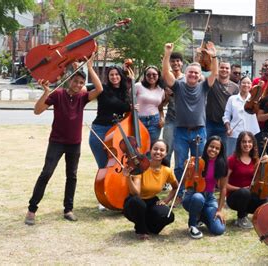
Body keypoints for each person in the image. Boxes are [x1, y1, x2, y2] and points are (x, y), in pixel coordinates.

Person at [25, 59, 103, 225]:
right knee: (46, 173)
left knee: (72, 176)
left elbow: (99, 88)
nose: (78, 84)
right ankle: (32, 209)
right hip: (57, 142)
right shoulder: (58, 94)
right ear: (70, 80)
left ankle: (68, 209)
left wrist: (89, 67)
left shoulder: (83, 97)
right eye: (76, 81)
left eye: (81, 82)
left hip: (74, 143)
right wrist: (46, 92)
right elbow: (37, 111)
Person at [162, 42, 218, 200]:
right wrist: (167, 53)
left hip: (199, 131)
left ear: (200, 75)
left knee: (199, 164)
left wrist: (213, 56)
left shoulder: (204, 87)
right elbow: (166, 73)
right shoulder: (179, 86)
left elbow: (214, 73)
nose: (193, 75)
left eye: (196, 73)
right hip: (180, 131)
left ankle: (195, 190)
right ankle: (179, 192)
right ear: (186, 74)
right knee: (180, 164)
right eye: (190, 72)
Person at [122, 140, 178, 240]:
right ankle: (141, 230)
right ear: (150, 151)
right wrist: (128, 177)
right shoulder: (141, 167)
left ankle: (146, 226)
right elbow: (136, 193)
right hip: (135, 202)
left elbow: (175, 187)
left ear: (165, 154)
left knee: (168, 216)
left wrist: (166, 200)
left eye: (162, 150)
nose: (158, 152)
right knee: (137, 202)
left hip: (151, 201)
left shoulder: (167, 171)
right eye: (155, 149)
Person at [182, 136, 228, 239]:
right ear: (207, 146)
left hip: (209, 199)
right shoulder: (197, 161)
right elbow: (186, 180)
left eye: (217, 148)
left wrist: (219, 210)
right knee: (198, 197)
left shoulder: (221, 164)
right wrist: (187, 169)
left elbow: (223, 188)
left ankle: (202, 216)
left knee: (218, 230)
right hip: (193, 196)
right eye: (211, 146)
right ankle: (192, 225)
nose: (214, 150)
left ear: (220, 151)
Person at [88, 66, 131, 170]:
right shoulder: (102, 88)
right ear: (108, 76)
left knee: (117, 164)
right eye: (111, 74)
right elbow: (85, 88)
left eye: (117, 74)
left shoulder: (125, 93)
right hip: (100, 130)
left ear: (121, 76)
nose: (114, 77)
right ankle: (104, 185)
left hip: (117, 132)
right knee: (103, 166)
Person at [225, 131, 268, 229]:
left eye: (250, 142)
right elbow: (223, 184)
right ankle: (241, 218)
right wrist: (240, 188)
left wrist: (267, 163)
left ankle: (259, 218)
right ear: (239, 144)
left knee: (267, 202)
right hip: (235, 197)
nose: (247, 144)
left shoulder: (255, 159)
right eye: (244, 142)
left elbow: (264, 178)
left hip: (250, 195)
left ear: (253, 144)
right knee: (244, 193)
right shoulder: (232, 160)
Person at [223, 76, 260, 156]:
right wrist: (228, 128)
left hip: (252, 133)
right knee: (231, 157)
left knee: (250, 158)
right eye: (243, 83)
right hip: (235, 133)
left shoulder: (256, 99)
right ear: (239, 84)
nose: (246, 85)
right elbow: (226, 115)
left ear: (251, 85)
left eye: (248, 83)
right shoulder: (232, 99)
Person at [206, 61, 239, 144]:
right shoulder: (211, 82)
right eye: (222, 67)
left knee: (223, 151)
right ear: (218, 69)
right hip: (209, 123)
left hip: (225, 125)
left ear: (230, 71)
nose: (224, 70)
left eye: (227, 68)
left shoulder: (235, 88)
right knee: (205, 149)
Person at [162, 52, 185, 163]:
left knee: (180, 153)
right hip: (170, 120)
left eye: (178, 61)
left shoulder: (187, 78)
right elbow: (161, 102)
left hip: (184, 122)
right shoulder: (165, 79)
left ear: (182, 63)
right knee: (166, 150)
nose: (175, 63)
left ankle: (177, 178)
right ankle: (164, 177)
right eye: (172, 61)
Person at [136, 66, 166, 142]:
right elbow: (128, 100)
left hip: (155, 121)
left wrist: (162, 118)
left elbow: (160, 107)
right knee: (139, 147)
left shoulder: (161, 89)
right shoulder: (138, 86)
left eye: (154, 74)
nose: (151, 76)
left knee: (152, 146)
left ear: (158, 76)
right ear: (145, 76)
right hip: (139, 120)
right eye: (148, 75)